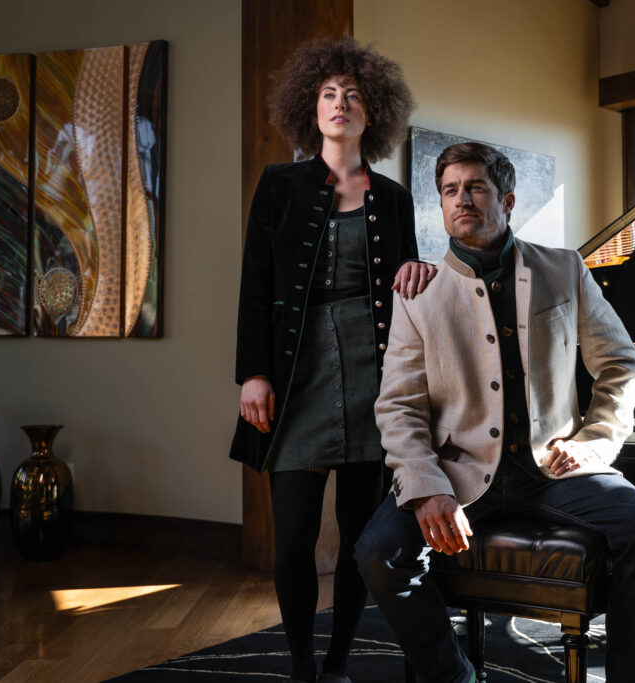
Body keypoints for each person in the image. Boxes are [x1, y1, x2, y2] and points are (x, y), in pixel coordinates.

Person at [355, 142, 635, 683]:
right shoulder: (418, 292)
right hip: (457, 474)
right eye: (451, 191)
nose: (463, 200)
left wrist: (595, 442)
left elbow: (621, 364)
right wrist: (427, 486)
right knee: (378, 551)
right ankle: (453, 676)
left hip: (551, 468)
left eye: (476, 187)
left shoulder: (564, 269)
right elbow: (400, 407)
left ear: (505, 199)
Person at [229, 36, 434, 683]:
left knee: (357, 541)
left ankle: (339, 662)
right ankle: (299, 663)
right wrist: (252, 373)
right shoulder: (279, 185)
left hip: (375, 384)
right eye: (327, 94)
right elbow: (255, 283)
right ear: (310, 109)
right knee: (291, 536)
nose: (340, 103)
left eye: (351, 95)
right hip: (296, 378)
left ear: (373, 111)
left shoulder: (394, 198)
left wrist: (419, 270)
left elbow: (407, 281)